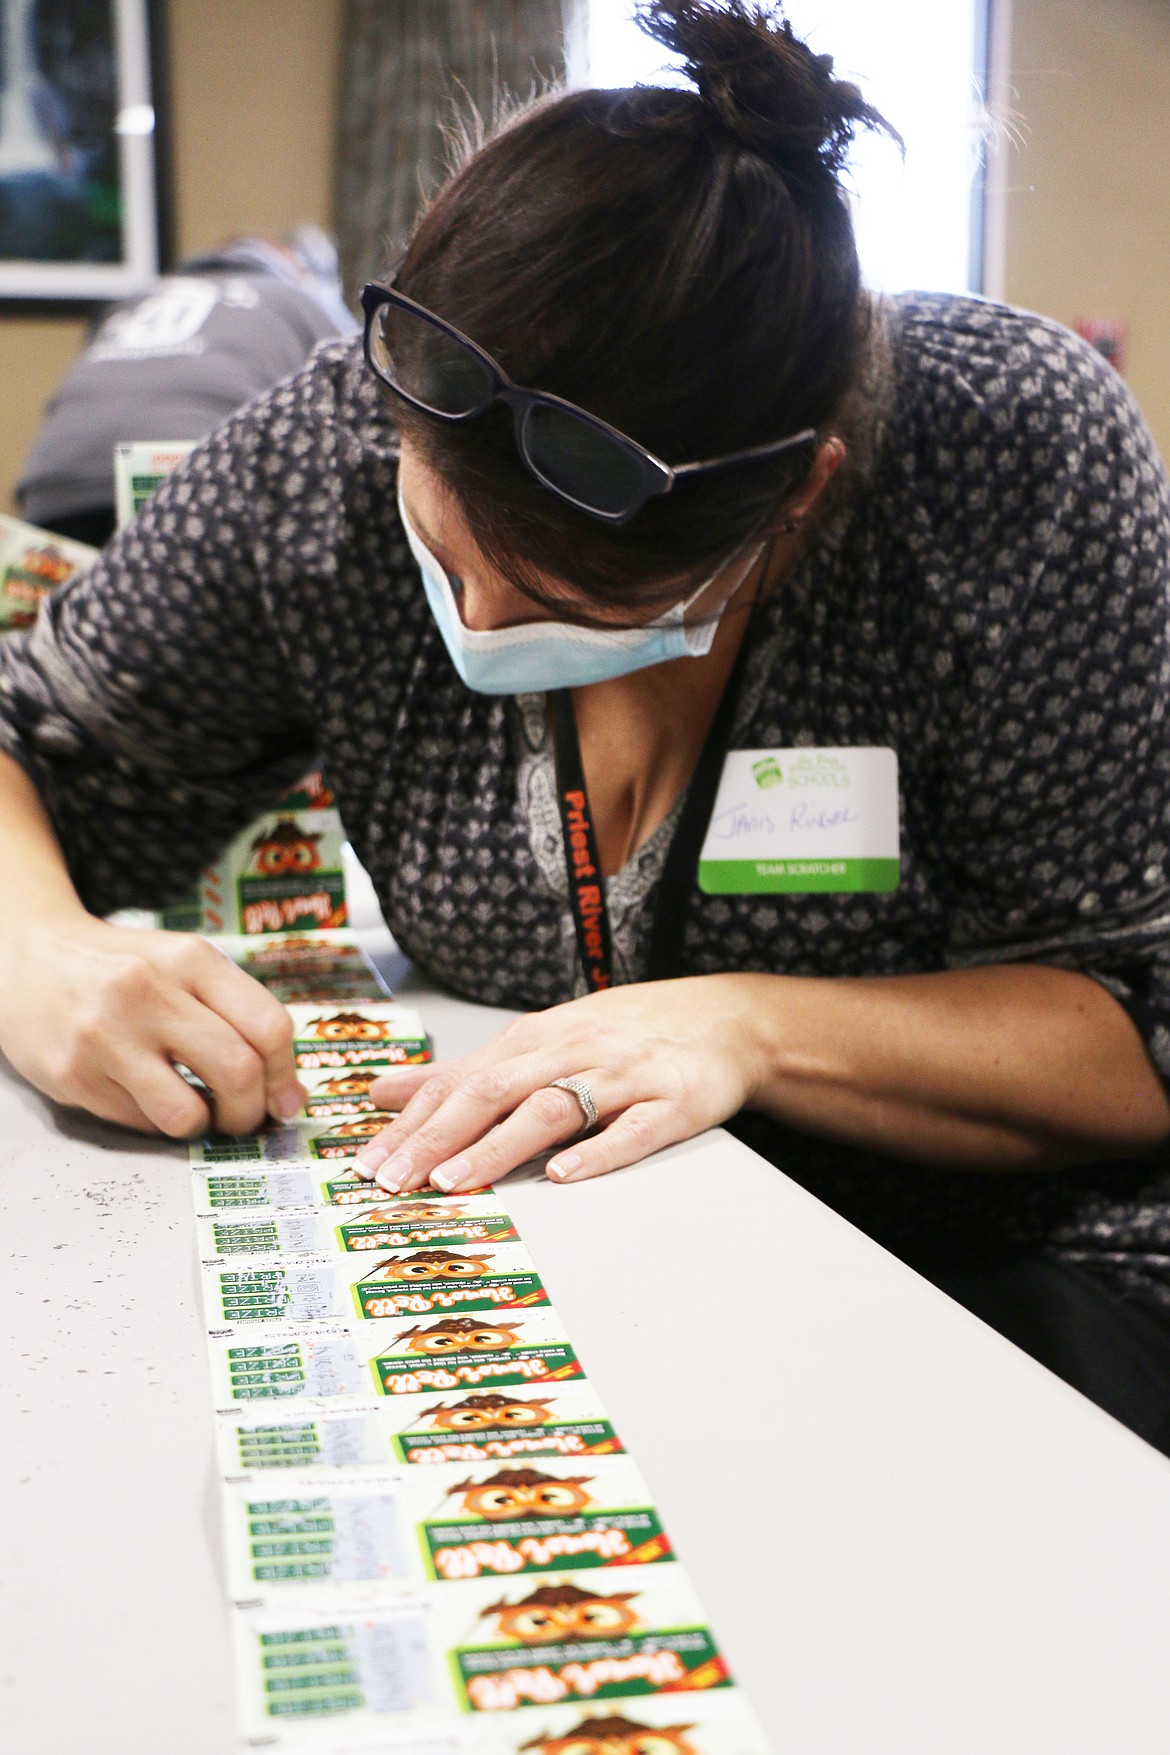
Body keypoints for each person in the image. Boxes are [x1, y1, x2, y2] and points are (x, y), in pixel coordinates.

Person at [1, 0, 1170, 1446]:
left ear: (793, 500)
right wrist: (36, 950)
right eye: (443, 543)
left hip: (1000, 1265)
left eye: (559, 595)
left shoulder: (1006, 452)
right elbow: (33, 736)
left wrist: (747, 1024)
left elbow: (1133, 1020)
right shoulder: (333, 445)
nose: (478, 622)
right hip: (576, 1265)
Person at [16, 227, 357, 547]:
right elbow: (365, 393)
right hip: (198, 485)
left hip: (54, 489)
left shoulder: (136, 300)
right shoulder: (299, 299)